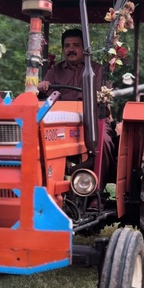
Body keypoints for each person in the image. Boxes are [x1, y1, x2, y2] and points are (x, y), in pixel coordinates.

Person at [38, 28, 116, 206]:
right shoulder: (55, 71)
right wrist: (42, 87)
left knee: (102, 141)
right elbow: (44, 98)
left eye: (75, 45)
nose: (70, 49)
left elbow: (100, 99)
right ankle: (46, 192)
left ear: (84, 49)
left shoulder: (96, 70)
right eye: (67, 46)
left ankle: (93, 192)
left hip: (92, 122)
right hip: (63, 125)